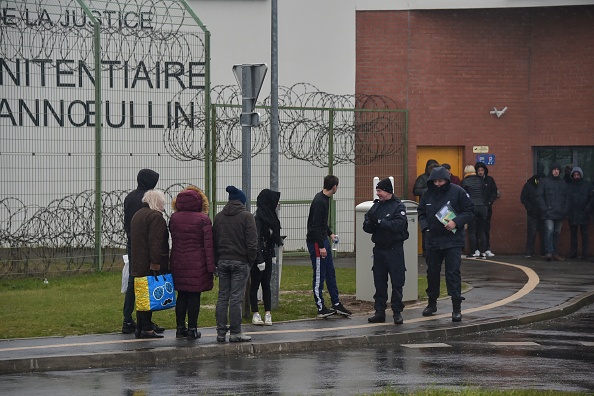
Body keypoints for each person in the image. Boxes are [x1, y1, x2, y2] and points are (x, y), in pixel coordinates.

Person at [417, 166, 475, 322]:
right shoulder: (427, 194)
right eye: (435, 181)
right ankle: (431, 303)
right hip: (433, 239)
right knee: (432, 273)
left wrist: (456, 222)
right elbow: (421, 212)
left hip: (452, 241)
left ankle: (456, 307)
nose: (437, 184)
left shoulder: (458, 192)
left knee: (453, 273)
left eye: (440, 181)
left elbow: (469, 210)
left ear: (446, 180)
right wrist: (426, 228)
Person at [169, 187, 215, 340]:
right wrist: (211, 267)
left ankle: (180, 328)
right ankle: (192, 329)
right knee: (194, 296)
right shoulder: (203, 220)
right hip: (197, 263)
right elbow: (208, 246)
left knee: (181, 295)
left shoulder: (174, 218)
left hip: (178, 262)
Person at [121, 169, 164, 335]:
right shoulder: (148, 199)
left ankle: (130, 318)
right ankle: (143, 322)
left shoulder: (130, 197)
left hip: (132, 243)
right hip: (144, 247)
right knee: (144, 283)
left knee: (134, 281)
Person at [213, 186, 258, 343]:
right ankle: (235, 332)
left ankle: (220, 332)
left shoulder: (218, 217)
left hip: (223, 261)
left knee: (223, 296)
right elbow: (252, 243)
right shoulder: (247, 217)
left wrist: (217, 260)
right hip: (240, 261)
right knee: (236, 298)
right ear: (242, 201)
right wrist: (249, 261)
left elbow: (214, 241)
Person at [363, 178, 409, 325]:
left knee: (397, 281)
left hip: (394, 249)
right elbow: (367, 225)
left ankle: (397, 312)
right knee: (379, 282)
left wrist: (380, 223)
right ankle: (379, 311)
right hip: (379, 249)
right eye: (377, 191)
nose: (378, 194)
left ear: (388, 191)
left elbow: (398, 225)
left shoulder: (398, 206)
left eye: (380, 191)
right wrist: (370, 223)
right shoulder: (376, 207)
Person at [306, 175, 352, 318]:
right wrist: (321, 246)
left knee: (330, 272)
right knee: (320, 274)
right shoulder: (321, 201)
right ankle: (320, 307)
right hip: (316, 242)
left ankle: (336, 303)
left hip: (321, 239)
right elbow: (315, 225)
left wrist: (330, 233)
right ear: (334, 187)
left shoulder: (323, 199)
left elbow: (321, 223)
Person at [130, 189, 170, 339]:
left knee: (142, 298)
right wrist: (156, 263)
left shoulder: (138, 215)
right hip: (149, 264)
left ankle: (140, 327)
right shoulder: (155, 217)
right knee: (150, 297)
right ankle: (147, 328)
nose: (163, 206)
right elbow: (156, 243)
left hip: (137, 263)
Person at [250, 189, 284, 326]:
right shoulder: (258, 218)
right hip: (260, 256)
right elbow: (256, 239)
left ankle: (268, 313)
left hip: (268, 254)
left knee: (266, 285)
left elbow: (272, 239)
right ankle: (255, 313)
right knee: (255, 284)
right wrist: (259, 259)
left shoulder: (271, 218)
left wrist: (273, 255)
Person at [536, 163, 570, 261]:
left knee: (556, 232)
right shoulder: (544, 182)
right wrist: (545, 209)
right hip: (548, 213)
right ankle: (549, 252)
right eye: (554, 169)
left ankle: (554, 253)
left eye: (557, 169)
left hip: (559, 212)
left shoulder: (563, 183)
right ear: (551, 170)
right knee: (549, 231)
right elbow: (539, 196)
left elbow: (567, 198)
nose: (556, 171)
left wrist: (565, 210)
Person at [413, 159, 440, 256]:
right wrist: (428, 191)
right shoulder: (423, 178)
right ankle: (426, 250)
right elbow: (416, 190)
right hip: (426, 206)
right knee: (427, 229)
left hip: (439, 206)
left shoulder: (439, 179)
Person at [460, 165, 488, 259]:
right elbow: (485, 193)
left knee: (472, 230)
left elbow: (463, 197)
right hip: (482, 207)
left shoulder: (464, 182)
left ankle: (473, 252)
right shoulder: (481, 180)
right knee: (482, 231)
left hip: (472, 207)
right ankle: (483, 252)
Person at [567, 167, 594, 259]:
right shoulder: (570, 186)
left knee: (584, 234)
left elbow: (591, 198)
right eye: (575, 175)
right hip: (573, 213)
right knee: (573, 234)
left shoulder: (587, 185)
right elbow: (567, 199)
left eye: (578, 175)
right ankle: (573, 253)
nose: (576, 176)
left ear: (581, 175)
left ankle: (584, 254)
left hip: (584, 213)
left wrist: (587, 209)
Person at [475, 162, 498, 257]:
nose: (480, 172)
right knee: (476, 228)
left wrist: (489, 202)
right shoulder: (475, 180)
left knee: (486, 228)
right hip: (476, 207)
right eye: (479, 170)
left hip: (487, 207)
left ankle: (486, 248)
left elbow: (494, 192)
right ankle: (476, 248)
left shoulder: (489, 180)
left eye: (482, 170)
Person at [520, 174, 545, 258]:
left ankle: (541, 252)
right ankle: (530, 252)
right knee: (532, 233)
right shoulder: (529, 186)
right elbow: (523, 198)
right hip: (533, 213)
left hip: (542, 213)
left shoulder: (531, 185)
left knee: (542, 234)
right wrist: (529, 208)